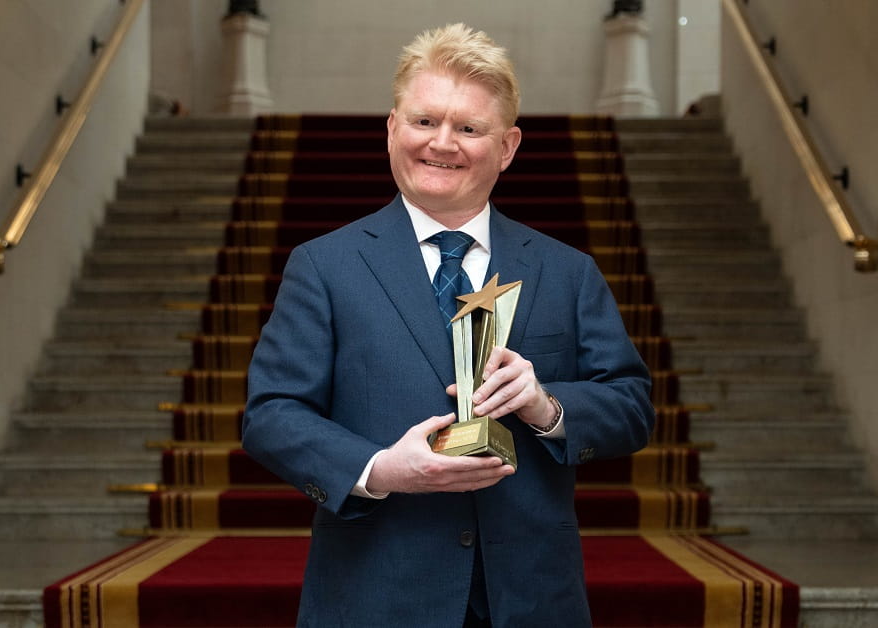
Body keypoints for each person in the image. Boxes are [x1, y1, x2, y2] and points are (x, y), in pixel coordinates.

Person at [242, 23, 654, 627]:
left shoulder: (567, 271)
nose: (442, 143)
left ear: (508, 147)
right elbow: (271, 414)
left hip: (532, 601)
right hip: (375, 596)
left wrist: (548, 407)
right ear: (391, 129)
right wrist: (381, 469)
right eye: (424, 121)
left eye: (468, 128)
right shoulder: (324, 266)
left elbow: (632, 406)